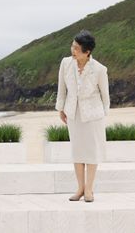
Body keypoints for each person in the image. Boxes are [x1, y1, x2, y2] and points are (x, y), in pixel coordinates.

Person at [55, 30, 110, 203]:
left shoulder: (100, 69)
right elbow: (61, 89)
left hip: (93, 115)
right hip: (73, 113)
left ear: (87, 52)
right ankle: (79, 188)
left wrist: (102, 116)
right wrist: (61, 109)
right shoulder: (65, 63)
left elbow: (105, 96)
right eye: (72, 46)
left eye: (77, 48)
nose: (73, 50)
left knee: (92, 152)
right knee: (77, 152)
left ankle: (89, 189)